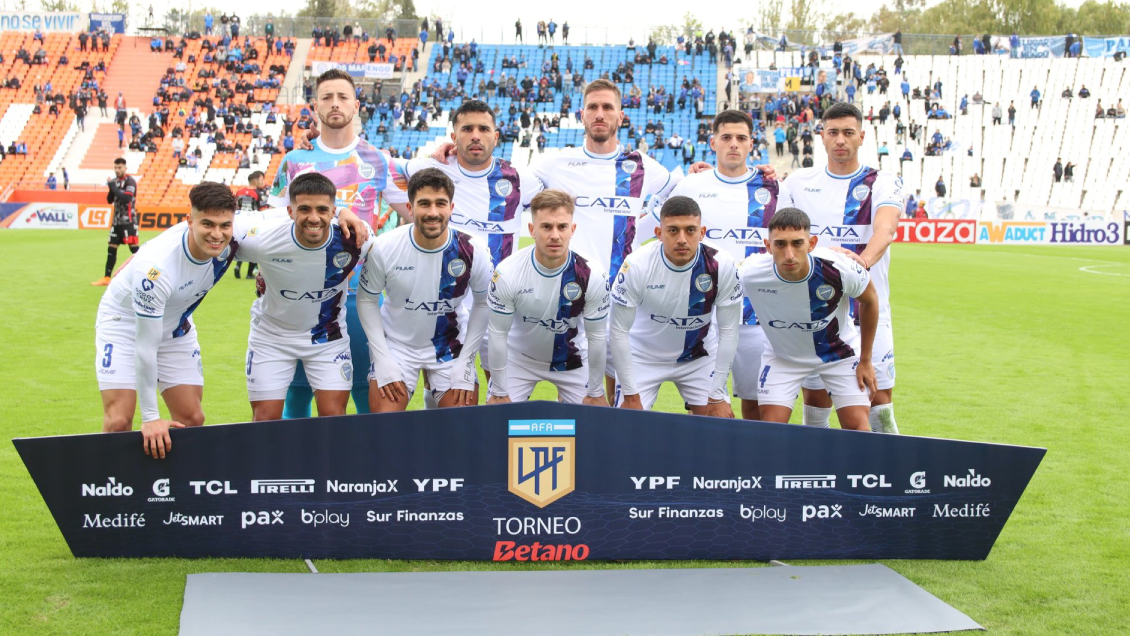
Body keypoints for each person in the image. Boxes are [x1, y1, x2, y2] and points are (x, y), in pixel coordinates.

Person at [269, 69, 408, 417]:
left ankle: (361, 472)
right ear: (315, 106)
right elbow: (270, 223)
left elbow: (415, 212)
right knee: (297, 396)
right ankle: (295, 471)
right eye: (327, 97)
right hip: (302, 295)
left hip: (361, 295)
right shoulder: (294, 161)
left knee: (364, 391)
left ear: (356, 105)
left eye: (342, 97)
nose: (335, 103)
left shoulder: (377, 160)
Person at [777, 102, 903, 434]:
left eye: (848, 133)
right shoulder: (799, 181)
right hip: (814, 312)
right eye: (833, 133)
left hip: (868, 308)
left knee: (878, 396)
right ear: (822, 136)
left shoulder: (882, 181)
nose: (840, 140)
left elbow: (886, 229)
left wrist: (861, 264)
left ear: (862, 136)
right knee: (816, 396)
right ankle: (814, 471)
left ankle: (886, 472)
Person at [95, 182, 239, 458]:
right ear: (189, 221)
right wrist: (150, 417)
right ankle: (114, 493)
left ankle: (176, 493)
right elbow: (146, 347)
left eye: (225, 226)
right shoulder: (157, 270)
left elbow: (280, 219)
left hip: (175, 325)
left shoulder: (234, 233)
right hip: (124, 325)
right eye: (207, 224)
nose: (217, 234)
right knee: (118, 422)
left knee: (192, 419)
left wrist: (341, 214)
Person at [659, 110, 778, 420]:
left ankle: (755, 468)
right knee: (708, 409)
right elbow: (662, 234)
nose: (734, 144)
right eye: (726, 138)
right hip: (703, 315)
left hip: (756, 314)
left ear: (752, 144)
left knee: (755, 405)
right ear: (713, 143)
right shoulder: (692, 184)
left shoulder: (774, 188)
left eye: (741, 138)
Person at [235, 173, 373, 422]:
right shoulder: (262, 239)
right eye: (304, 209)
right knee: (265, 419)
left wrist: (343, 211)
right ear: (289, 211)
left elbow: (395, 254)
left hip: (327, 338)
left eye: (322, 209)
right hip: (271, 337)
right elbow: (212, 225)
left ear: (332, 211)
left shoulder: (355, 238)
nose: (313, 218)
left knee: (333, 417)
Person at [357, 168, 491, 412]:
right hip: (397, 345)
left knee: (462, 431)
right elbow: (366, 301)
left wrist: (468, 360)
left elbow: (483, 303)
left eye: (440, 203)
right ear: (410, 208)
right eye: (424, 204)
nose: (433, 212)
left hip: (448, 345)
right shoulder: (384, 248)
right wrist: (382, 357)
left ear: (451, 207)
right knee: (383, 429)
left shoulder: (473, 249)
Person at [739, 208, 878, 431]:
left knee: (859, 430)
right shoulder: (750, 273)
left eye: (797, 243)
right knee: (770, 431)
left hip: (839, 354)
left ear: (811, 243)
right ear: (767, 246)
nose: (789, 254)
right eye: (780, 244)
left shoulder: (839, 268)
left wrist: (866, 360)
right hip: (783, 357)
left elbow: (870, 300)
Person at [610, 196, 741, 416]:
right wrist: (631, 395)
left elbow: (729, 331)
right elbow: (617, 331)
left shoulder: (722, 264)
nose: (682, 239)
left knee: (719, 424)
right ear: (659, 233)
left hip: (698, 357)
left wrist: (717, 394)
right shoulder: (637, 264)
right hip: (643, 356)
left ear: (702, 232)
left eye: (690, 230)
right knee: (628, 425)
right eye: (673, 231)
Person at [486, 189, 610, 405]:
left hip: (573, 361)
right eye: (546, 227)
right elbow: (497, 335)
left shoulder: (592, 274)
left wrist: (596, 391)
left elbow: (597, 338)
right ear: (532, 229)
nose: (555, 235)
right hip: (520, 361)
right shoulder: (507, 272)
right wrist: (498, 390)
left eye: (562, 227)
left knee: (595, 428)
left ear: (572, 230)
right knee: (497, 424)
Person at [92, 158, 139, 286]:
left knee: (135, 250)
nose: (117, 170)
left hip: (128, 221)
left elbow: (127, 198)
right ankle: (107, 277)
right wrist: (111, 188)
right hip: (116, 222)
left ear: (125, 168)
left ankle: (143, 274)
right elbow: (109, 200)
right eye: (115, 168)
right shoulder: (115, 182)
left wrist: (113, 186)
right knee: (111, 248)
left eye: (119, 168)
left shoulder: (130, 181)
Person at [232, 170, 267, 279]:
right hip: (254, 223)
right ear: (256, 180)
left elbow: (235, 207)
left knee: (240, 245)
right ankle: (249, 274)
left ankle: (237, 265)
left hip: (240, 222)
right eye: (261, 179)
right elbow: (263, 210)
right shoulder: (258, 193)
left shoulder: (239, 192)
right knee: (253, 247)